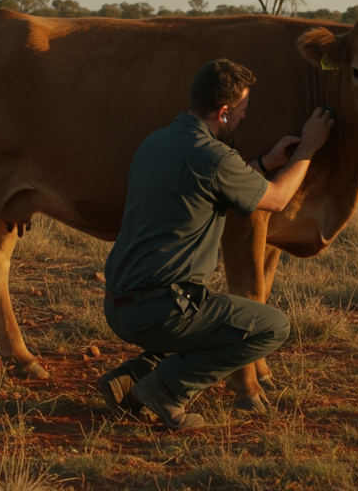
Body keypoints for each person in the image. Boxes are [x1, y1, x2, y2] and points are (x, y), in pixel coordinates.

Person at [97, 58, 334, 429]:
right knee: (271, 326)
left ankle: (130, 378)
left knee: (204, 321)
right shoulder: (215, 156)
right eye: (241, 111)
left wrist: (264, 162)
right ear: (223, 112)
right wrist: (308, 147)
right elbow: (276, 200)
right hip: (162, 311)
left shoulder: (156, 141)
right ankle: (165, 390)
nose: (243, 118)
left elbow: (210, 184)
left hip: (118, 306)